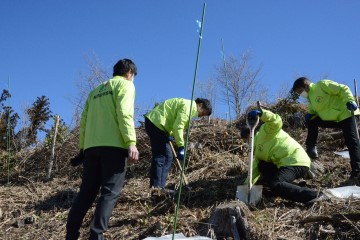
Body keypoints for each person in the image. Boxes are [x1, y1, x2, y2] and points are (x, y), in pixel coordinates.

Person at [66, 59, 139, 240]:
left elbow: (83, 122)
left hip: (91, 148)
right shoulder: (126, 85)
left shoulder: (95, 91)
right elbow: (125, 113)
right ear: (130, 73)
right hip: (113, 146)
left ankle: (71, 235)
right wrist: (131, 141)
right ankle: (96, 235)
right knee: (109, 192)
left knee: (86, 192)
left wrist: (83, 148)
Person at [240, 108, 321, 204]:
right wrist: (246, 186)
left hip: (296, 160)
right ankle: (276, 190)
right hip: (284, 164)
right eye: (245, 140)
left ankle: (314, 195)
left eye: (247, 137)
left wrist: (262, 113)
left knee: (277, 184)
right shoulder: (257, 150)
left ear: (251, 133)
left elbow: (276, 121)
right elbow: (254, 170)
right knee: (262, 164)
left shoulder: (265, 132)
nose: (247, 141)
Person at [292, 77, 360, 181]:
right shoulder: (310, 97)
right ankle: (311, 147)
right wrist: (310, 114)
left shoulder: (322, 85)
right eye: (298, 93)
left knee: (352, 142)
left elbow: (343, 88)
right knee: (312, 121)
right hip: (334, 120)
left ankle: (357, 172)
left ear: (306, 85)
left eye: (300, 91)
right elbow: (313, 110)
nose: (301, 94)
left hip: (346, 114)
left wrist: (350, 100)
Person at [144, 98, 212, 189]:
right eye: (203, 113)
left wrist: (170, 134)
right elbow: (178, 126)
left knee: (168, 157)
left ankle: (160, 187)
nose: (201, 116)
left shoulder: (189, 109)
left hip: (160, 126)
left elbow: (174, 120)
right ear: (200, 105)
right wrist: (181, 146)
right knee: (161, 155)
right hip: (155, 123)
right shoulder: (189, 106)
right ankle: (155, 187)